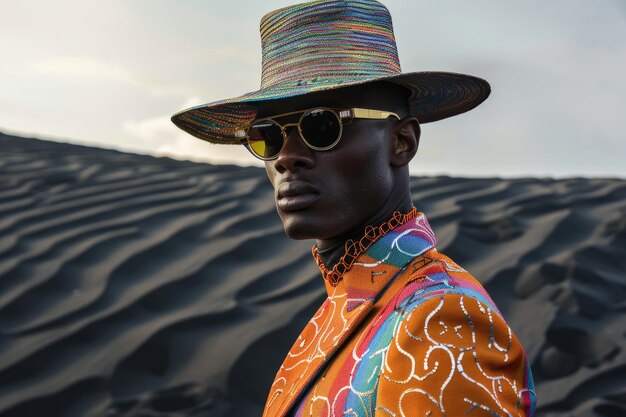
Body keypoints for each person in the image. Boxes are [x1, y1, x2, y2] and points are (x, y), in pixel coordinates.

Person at [171, 0, 537, 416]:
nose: (288, 156)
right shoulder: (348, 305)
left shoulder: (438, 318)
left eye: (323, 124)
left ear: (401, 143)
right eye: (266, 136)